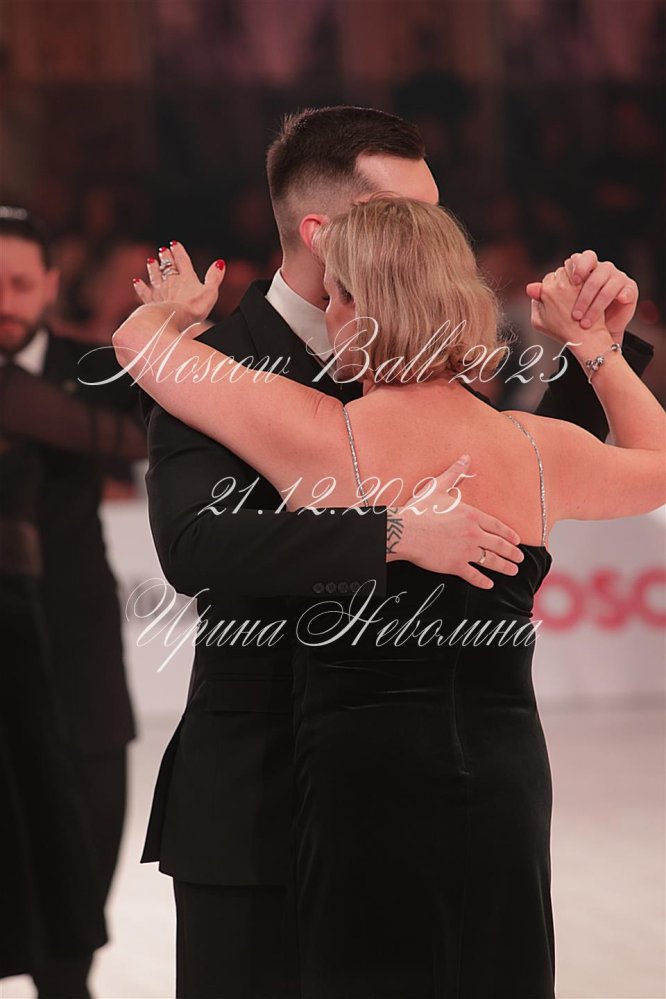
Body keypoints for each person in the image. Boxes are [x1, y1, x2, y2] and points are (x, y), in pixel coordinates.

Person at [130, 106, 655, 999]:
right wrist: (394, 530)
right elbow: (195, 545)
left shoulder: (369, 398)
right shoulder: (222, 363)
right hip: (270, 802)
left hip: (393, 793)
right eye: (411, 211)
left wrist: (589, 343)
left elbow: (523, 481)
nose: (431, 229)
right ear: (325, 234)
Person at [0, 206, 142, 997]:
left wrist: (29, 408)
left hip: (80, 672)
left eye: (20, 283)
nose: (5, 302)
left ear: (51, 283)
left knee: (72, 941)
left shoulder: (93, 367)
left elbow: (154, 436)